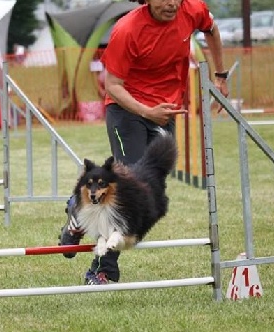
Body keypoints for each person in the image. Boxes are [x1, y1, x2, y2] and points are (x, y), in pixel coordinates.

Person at [59, 0, 230, 285]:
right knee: (130, 187)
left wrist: (221, 74)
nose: (172, 3)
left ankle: (78, 207)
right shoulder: (127, 30)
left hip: (165, 112)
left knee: (152, 193)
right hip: (127, 111)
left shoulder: (192, 9)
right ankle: (102, 270)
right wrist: (147, 112)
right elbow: (113, 84)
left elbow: (211, 29)